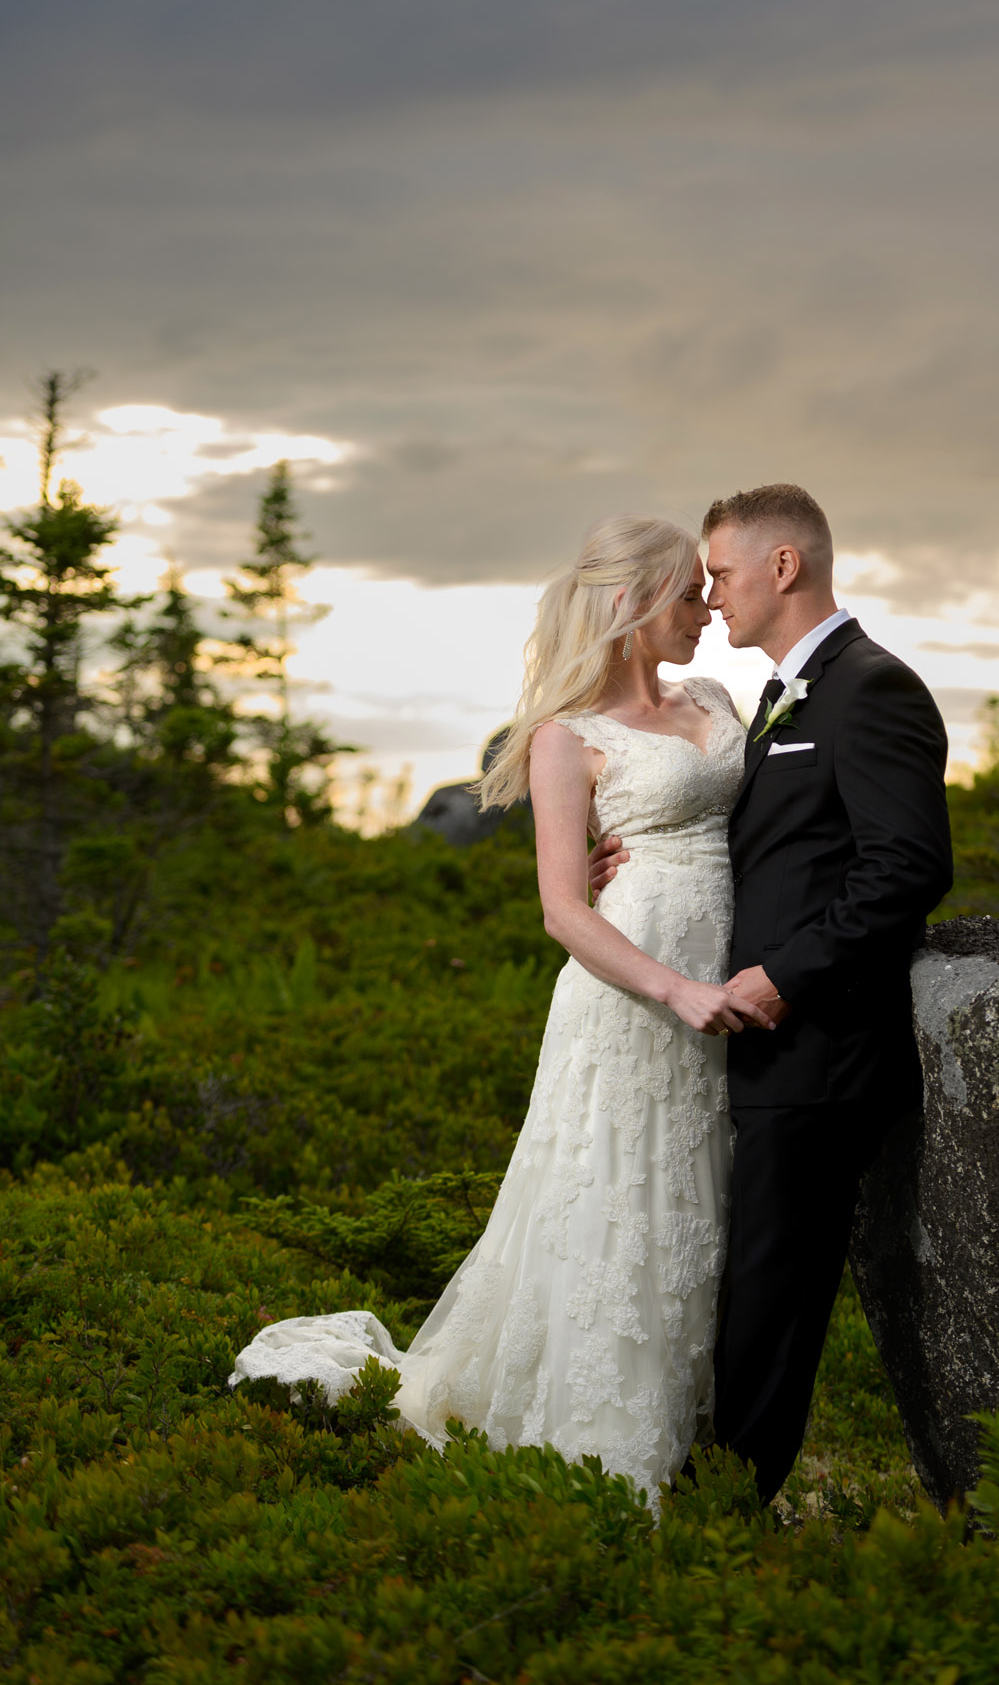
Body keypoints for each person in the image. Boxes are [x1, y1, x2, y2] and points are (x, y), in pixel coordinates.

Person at [230, 514, 775, 1507]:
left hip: (730, 987)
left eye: (706, 590)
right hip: (637, 999)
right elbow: (563, 907)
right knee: (623, 1205)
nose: (705, 610)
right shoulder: (565, 735)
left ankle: (704, 1433)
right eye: (688, 594)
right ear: (632, 601)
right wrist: (676, 988)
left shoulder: (711, 695)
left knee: (703, 1209)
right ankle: (612, 1453)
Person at [590, 483, 953, 1502]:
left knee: (773, 1289)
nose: (711, 595)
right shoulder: (781, 695)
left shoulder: (871, 687)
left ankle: (728, 1508)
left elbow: (907, 868)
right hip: (760, 1044)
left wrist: (788, 974)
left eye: (721, 572)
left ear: (782, 567)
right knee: (749, 1275)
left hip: (822, 1047)